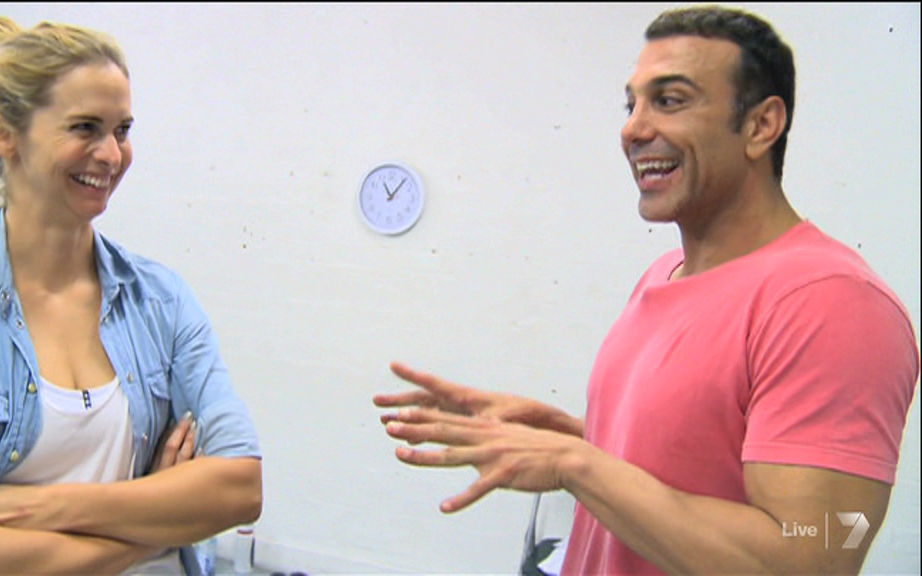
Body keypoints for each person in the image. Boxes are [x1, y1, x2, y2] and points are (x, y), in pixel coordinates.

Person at [374, 5, 919, 575]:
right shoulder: (664, 273)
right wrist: (577, 441)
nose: (632, 129)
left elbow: (811, 555)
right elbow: (699, 473)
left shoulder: (831, 302)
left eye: (670, 100)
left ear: (761, 125)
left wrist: (577, 464)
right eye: (631, 104)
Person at [0, 16, 262, 575]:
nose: (112, 155)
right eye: (85, 128)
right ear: (0, 133)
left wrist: (45, 507)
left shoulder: (160, 300)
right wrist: (154, 524)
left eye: (122, 130)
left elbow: (240, 488)